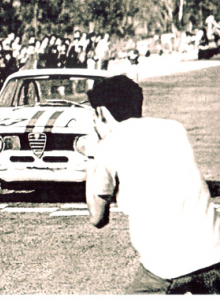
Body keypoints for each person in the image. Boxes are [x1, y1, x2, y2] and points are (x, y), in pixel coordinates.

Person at [86, 75, 220, 294]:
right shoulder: (174, 129)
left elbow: (97, 218)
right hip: (215, 255)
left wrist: (92, 155)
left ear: (101, 112)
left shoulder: (107, 146)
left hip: (166, 269)